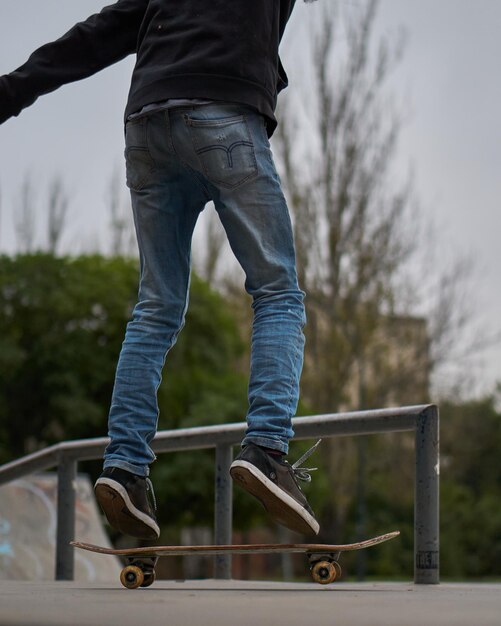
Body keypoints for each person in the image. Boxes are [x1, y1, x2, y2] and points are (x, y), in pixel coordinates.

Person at [0, 0, 320, 540]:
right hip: (225, 116)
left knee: (156, 308)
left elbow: (97, 34)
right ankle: (266, 448)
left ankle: (125, 465)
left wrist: (12, 89)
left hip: (147, 125)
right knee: (276, 292)